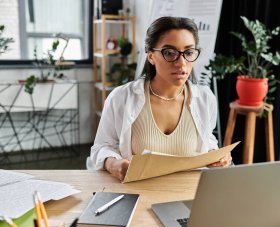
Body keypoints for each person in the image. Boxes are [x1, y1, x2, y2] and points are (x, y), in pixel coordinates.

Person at [91, 16, 232, 181]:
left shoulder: (205, 98)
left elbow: (207, 141)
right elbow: (101, 147)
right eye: (169, 53)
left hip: (187, 194)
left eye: (188, 52)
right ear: (151, 56)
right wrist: (112, 164)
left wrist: (215, 157)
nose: (181, 63)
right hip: (137, 192)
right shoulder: (121, 98)